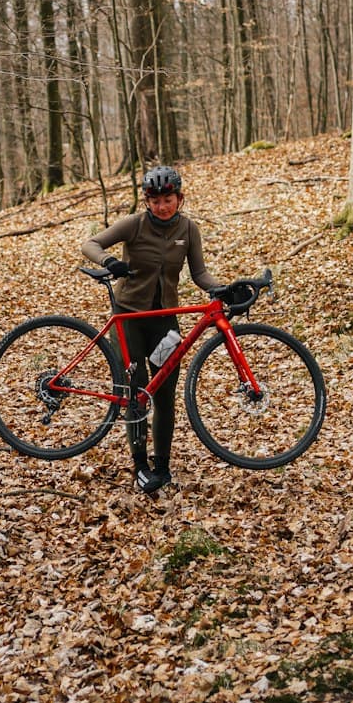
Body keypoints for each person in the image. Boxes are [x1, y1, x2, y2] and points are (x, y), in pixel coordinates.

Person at [81, 165, 224, 495]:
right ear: (146, 201)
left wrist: (222, 289)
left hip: (165, 320)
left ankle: (162, 466)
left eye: (168, 200)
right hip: (129, 318)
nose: (162, 206)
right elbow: (90, 244)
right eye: (155, 201)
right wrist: (109, 262)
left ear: (179, 198)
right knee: (136, 394)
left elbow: (200, 274)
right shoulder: (134, 224)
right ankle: (140, 466)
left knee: (164, 395)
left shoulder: (188, 229)